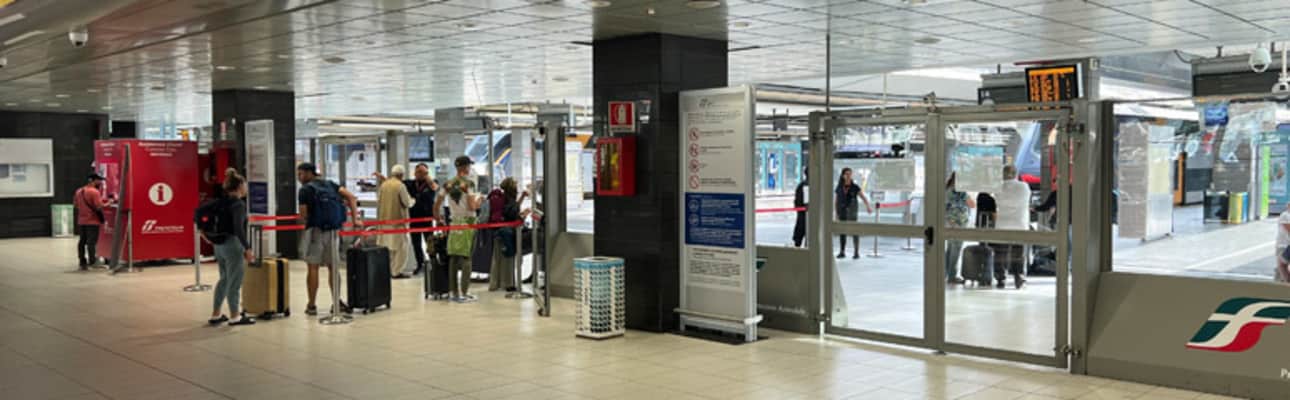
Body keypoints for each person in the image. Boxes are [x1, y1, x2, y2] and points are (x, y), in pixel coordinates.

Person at [295, 163, 360, 316]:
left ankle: (311, 305)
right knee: (333, 267)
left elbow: (303, 215)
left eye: (301, 174)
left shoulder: (305, 190)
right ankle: (336, 302)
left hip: (315, 231)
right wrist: (355, 219)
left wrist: (305, 219)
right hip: (333, 232)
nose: (299, 177)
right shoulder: (331, 184)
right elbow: (351, 197)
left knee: (313, 267)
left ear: (309, 173)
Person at [206, 168, 255, 326]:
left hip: (219, 245)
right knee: (235, 281)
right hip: (233, 244)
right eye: (245, 184)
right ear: (240, 186)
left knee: (224, 279)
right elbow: (238, 228)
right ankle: (235, 316)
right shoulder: (238, 204)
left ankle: (216, 314)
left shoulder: (221, 201)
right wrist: (247, 248)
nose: (246, 188)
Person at [373, 163, 439, 275]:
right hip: (413, 219)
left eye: (423, 172)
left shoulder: (431, 183)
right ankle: (420, 264)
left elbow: (434, 187)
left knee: (430, 242)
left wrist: (426, 175)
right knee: (416, 244)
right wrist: (383, 178)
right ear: (414, 173)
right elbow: (395, 184)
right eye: (418, 172)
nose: (420, 174)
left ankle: (434, 265)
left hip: (426, 218)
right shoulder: (409, 184)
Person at [434, 156, 483, 303]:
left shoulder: (448, 184)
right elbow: (472, 207)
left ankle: (453, 291)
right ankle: (464, 292)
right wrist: (480, 201)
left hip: (454, 222)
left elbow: (436, 205)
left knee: (454, 258)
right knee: (467, 257)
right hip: (468, 222)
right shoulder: (469, 184)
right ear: (466, 167)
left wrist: (439, 219)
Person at [993, 165, 1032, 289]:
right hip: (1020, 223)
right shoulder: (1024, 186)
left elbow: (997, 201)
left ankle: (1001, 279)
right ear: (1016, 174)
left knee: (1001, 253)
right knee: (1018, 253)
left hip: (1002, 223)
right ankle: (1019, 278)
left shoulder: (998, 187)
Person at [489, 177, 530, 291]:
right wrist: (522, 215)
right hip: (507, 233)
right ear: (513, 188)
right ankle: (508, 284)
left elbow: (511, 210)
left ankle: (495, 283)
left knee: (497, 259)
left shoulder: (503, 198)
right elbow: (512, 214)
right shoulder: (509, 199)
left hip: (498, 231)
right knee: (509, 258)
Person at [377, 165, 417, 279]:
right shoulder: (400, 186)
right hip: (398, 223)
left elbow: (379, 200)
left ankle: (388, 270)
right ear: (402, 175)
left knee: (389, 248)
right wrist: (413, 200)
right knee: (401, 248)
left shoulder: (384, 185)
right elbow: (407, 202)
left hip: (384, 221)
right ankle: (396, 271)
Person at [74, 172, 111, 270]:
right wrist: (109, 203)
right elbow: (99, 206)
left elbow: (76, 205)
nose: (100, 182)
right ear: (93, 181)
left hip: (81, 220)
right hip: (92, 221)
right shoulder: (94, 192)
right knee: (91, 242)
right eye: (99, 180)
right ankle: (93, 261)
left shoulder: (79, 191)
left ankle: (82, 262)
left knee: (82, 241)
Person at [945, 172, 975, 285]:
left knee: (950, 248)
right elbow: (972, 204)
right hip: (959, 223)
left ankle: (945, 273)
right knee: (956, 249)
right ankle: (952, 276)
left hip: (948, 222)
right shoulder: (961, 192)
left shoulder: (947, 189)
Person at [835, 167, 871, 259]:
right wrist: (836, 213)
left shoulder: (855, 187)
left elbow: (863, 197)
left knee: (854, 231)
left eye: (850, 174)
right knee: (842, 232)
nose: (848, 176)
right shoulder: (839, 187)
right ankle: (842, 251)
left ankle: (856, 252)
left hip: (852, 212)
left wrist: (868, 206)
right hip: (842, 212)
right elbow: (836, 201)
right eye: (847, 174)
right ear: (843, 175)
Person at [793, 167, 809, 248]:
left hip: (802, 214)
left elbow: (796, 201)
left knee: (799, 235)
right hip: (805, 214)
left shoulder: (801, 185)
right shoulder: (805, 185)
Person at [1276, 203, 1290, 283]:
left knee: (1282, 265)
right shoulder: (1285, 215)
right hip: (1283, 244)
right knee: (1281, 265)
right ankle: (1280, 282)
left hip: (1286, 244)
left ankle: (1283, 283)